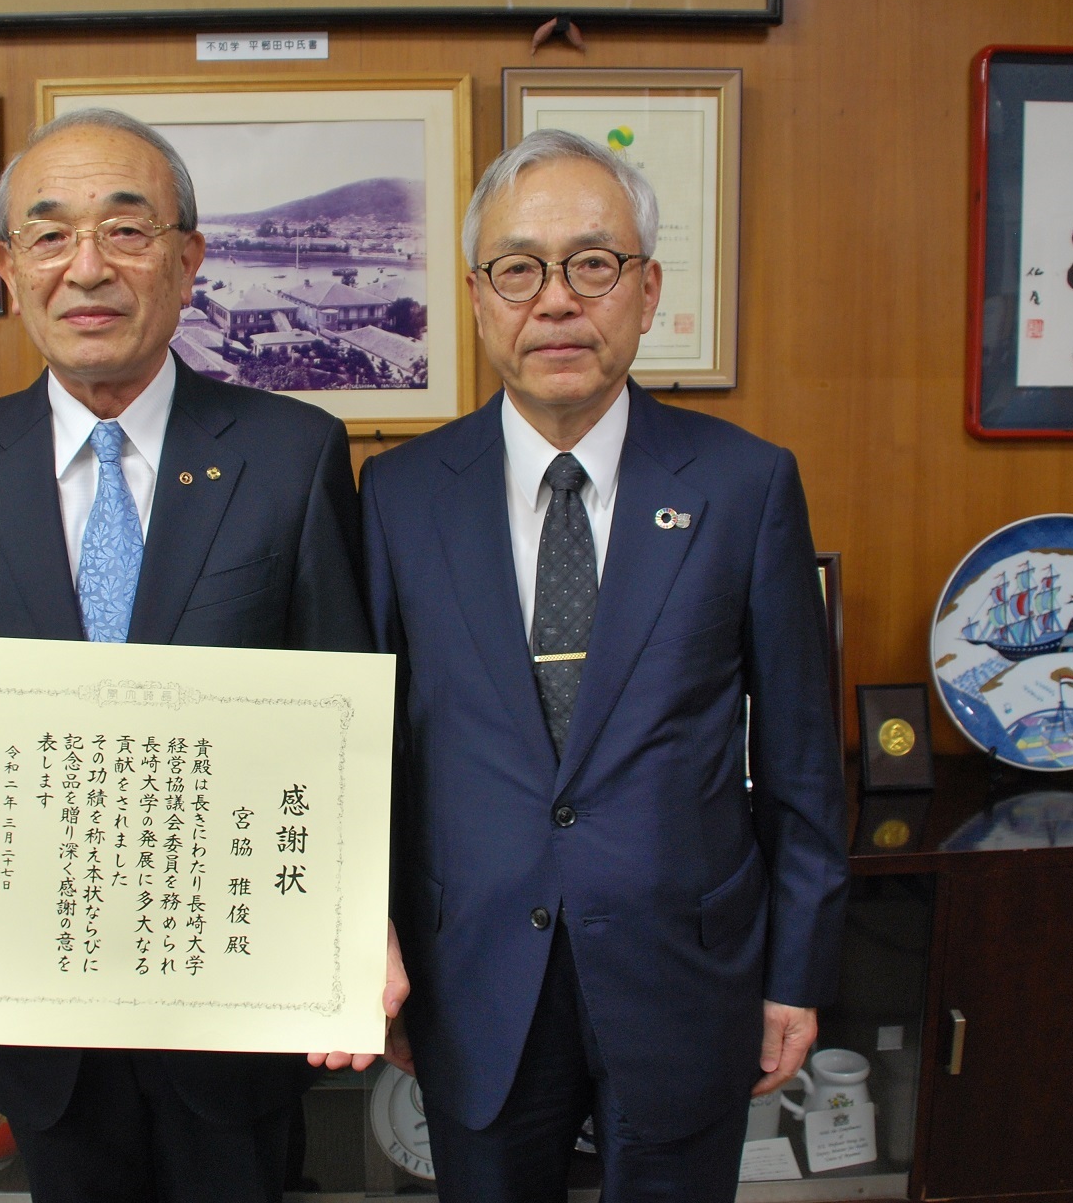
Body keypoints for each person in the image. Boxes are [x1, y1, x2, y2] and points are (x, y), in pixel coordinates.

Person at [0, 108, 398, 1203]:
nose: (85, 267)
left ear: (187, 261)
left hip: (235, 998)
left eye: (125, 231)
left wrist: (356, 921)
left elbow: (350, 722)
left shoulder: (291, 454)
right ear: (8, 271)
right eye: (48, 236)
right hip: (37, 1009)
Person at [360, 129, 849, 1202]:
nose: (556, 301)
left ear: (646, 289)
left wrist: (797, 971)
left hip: (688, 973)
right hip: (471, 972)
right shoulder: (398, 498)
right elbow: (376, 758)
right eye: (518, 269)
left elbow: (804, 757)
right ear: (480, 297)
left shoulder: (744, 485)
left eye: (592, 263)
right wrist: (373, 959)